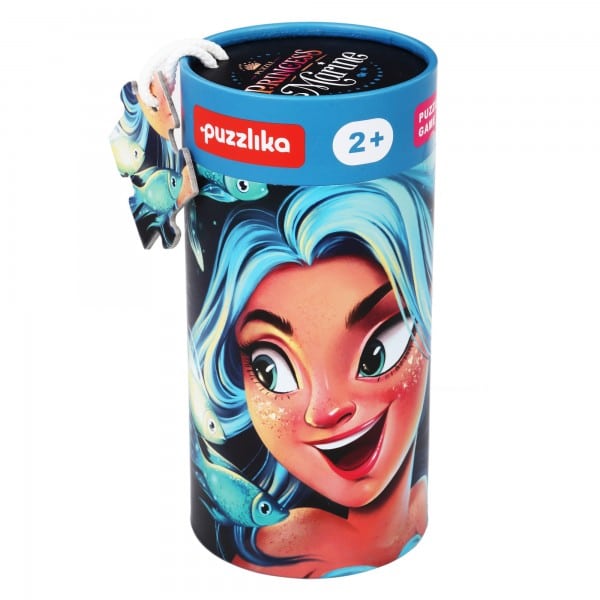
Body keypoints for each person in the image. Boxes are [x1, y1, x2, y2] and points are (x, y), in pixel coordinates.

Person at [188, 168, 433, 577]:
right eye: (271, 370)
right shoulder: (271, 555)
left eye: (377, 354)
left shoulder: (419, 504)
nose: (327, 409)